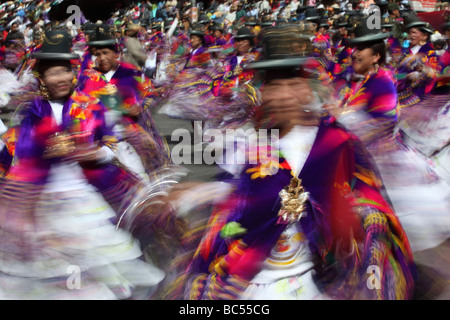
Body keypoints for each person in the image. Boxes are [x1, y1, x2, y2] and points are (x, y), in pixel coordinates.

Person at [184, 24, 416, 300]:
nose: (283, 97)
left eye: (293, 85)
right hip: (255, 277)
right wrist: (207, 193)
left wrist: (355, 217)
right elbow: (236, 206)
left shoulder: (334, 142)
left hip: (318, 277)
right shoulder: (250, 145)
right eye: (274, 86)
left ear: (307, 90)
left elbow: (367, 197)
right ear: (264, 92)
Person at [0, 29, 167, 299]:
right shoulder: (32, 110)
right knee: (51, 273)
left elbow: (112, 142)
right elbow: (22, 154)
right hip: (43, 199)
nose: (61, 78)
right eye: (53, 73)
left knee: (100, 262)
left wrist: (90, 153)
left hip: (83, 195)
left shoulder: (93, 100)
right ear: (41, 78)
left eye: (65, 71)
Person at [330, 17, 450, 254]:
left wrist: (342, 115)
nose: (354, 53)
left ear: (375, 56)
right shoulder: (362, 79)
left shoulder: (382, 80)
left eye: (360, 49)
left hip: (378, 163)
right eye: (354, 48)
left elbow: (384, 122)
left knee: (382, 227)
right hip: (358, 157)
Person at [78, 24, 170, 182]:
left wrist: (140, 107)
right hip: (102, 142)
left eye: (106, 53)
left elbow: (152, 94)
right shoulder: (87, 77)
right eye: (97, 54)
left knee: (141, 182)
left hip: (130, 139)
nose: (102, 58)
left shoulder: (131, 72)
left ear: (116, 53)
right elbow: (79, 104)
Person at [396, 14, 438, 108]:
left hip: (422, 98)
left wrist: (421, 71)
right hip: (403, 96)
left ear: (424, 36)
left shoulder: (429, 53)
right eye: (410, 33)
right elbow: (397, 72)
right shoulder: (404, 52)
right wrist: (406, 77)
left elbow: (434, 73)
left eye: (414, 32)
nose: (411, 35)